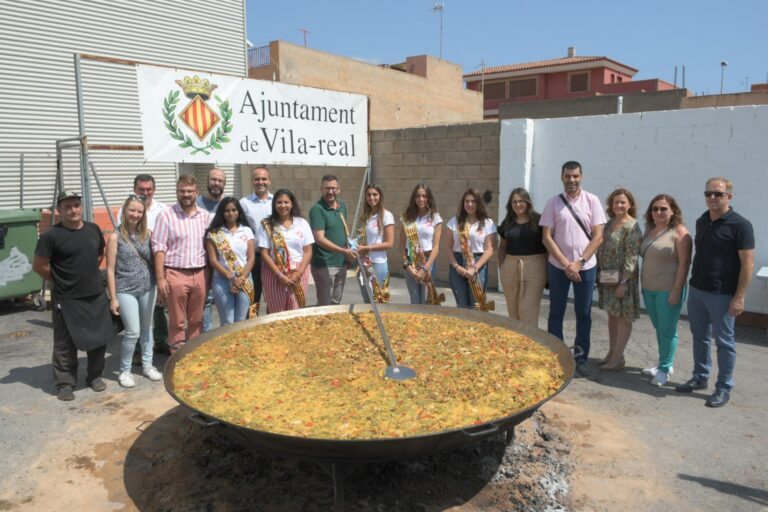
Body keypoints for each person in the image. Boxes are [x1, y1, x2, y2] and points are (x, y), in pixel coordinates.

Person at [676, 177, 754, 408]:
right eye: (708, 193)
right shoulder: (703, 220)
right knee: (700, 337)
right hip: (698, 289)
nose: (712, 198)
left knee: (724, 342)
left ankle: (723, 387)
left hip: (723, 294)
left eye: (718, 194)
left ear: (729, 196)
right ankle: (700, 377)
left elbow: (747, 264)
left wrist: (739, 296)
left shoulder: (741, 225)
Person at [33, 190, 113, 401]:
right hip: (66, 298)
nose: (73, 210)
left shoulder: (93, 229)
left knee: (98, 339)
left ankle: (94, 376)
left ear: (81, 206)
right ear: (59, 210)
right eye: (67, 206)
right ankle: (65, 383)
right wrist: (60, 280)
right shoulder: (51, 236)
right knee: (64, 343)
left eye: (76, 205)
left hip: (95, 294)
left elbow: (99, 254)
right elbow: (39, 266)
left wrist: (86, 276)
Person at [540, 161, 606, 376]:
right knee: (556, 312)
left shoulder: (592, 201)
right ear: (562, 177)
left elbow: (598, 236)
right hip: (559, 267)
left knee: (583, 313)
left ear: (581, 177)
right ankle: (557, 356)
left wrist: (579, 263)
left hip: (586, 267)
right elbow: (547, 237)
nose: (572, 180)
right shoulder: (553, 203)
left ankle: (581, 358)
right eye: (568, 176)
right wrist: (566, 263)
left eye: (575, 176)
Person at [106, 195, 162, 388]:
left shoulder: (149, 234)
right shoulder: (115, 237)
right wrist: (113, 298)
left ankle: (148, 365)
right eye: (132, 210)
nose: (135, 214)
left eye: (139, 211)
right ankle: (125, 370)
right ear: (124, 210)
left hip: (148, 287)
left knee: (148, 329)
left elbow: (157, 261)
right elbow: (110, 270)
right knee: (133, 332)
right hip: (126, 289)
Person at [151, 174, 211, 352]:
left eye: (190, 191)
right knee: (176, 320)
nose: (186, 194)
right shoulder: (166, 215)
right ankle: (176, 356)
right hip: (175, 274)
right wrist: (160, 278)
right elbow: (159, 247)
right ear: (177, 192)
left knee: (196, 319)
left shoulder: (205, 216)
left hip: (200, 273)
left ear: (196, 193)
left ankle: (194, 353)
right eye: (182, 191)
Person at [639, 194, 692, 387]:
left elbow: (685, 264)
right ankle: (664, 364)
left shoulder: (680, 232)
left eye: (663, 209)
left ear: (672, 211)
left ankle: (664, 369)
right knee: (659, 328)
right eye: (655, 209)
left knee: (668, 331)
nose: (659, 212)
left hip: (668, 290)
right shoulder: (649, 230)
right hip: (648, 288)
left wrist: (676, 290)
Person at [118, 174, 170, 356]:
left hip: (159, 261)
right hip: (137, 266)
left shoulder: (164, 209)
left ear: (154, 190)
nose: (145, 192)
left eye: (149, 189)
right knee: (140, 310)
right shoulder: (127, 209)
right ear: (135, 189)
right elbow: (124, 237)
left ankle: (161, 340)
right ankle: (139, 348)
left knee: (159, 306)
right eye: (141, 189)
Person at [595, 188, 642, 372]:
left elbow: (632, 256)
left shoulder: (632, 226)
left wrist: (623, 282)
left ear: (630, 204)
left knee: (622, 317)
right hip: (608, 278)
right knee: (612, 315)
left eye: (623, 202)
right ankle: (612, 353)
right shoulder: (608, 224)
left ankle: (617, 358)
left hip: (623, 279)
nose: (619, 205)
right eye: (616, 202)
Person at [257, 189, 315, 313]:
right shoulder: (267, 225)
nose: (283, 206)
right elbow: (264, 253)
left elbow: (308, 251)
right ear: (274, 205)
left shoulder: (302, 223)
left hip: (299, 271)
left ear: (292, 204)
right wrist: (279, 275)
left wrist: (298, 273)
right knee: (276, 313)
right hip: (274, 272)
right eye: (279, 202)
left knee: (296, 312)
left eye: (286, 202)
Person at [497, 187, 548, 325]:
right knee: (513, 309)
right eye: (514, 202)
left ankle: (530, 342)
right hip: (510, 265)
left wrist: (549, 271)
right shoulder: (507, 222)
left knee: (527, 309)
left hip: (535, 265)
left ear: (528, 203)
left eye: (521, 201)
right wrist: (501, 266)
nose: (518, 204)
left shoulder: (539, 221)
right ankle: (516, 342)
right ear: (510, 204)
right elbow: (502, 246)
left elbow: (548, 246)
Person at [204, 197, 256, 325]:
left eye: (234, 210)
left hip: (244, 279)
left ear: (239, 212)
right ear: (222, 212)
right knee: (227, 321)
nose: (231, 213)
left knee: (242, 320)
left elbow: (251, 257)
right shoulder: (214, 233)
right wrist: (231, 277)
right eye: (227, 210)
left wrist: (241, 279)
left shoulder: (247, 231)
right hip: (222, 280)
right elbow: (213, 261)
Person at [445, 188, 496, 310]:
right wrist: (457, 267)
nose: (469, 204)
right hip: (457, 263)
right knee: (461, 304)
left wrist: (474, 268)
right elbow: (447, 247)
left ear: (478, 203)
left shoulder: (487, 223)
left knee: (476, 304)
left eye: (473, 201)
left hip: (478, 263)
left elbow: (489, 250)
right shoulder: (454, 221)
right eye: (466, 201)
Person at [309, 174, 356, 306]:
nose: (330, 191)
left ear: (338, 189)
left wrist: (347, 257)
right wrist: (343, 251)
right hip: (324, 264)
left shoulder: (342, 205)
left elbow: (344, 230)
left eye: (333, 188)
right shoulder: (317, 210)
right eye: (327, 188)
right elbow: (319, 239)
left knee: (336, 301)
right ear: (321, 189)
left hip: (341, 262)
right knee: (324, 304)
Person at [399, 183, 445, 305]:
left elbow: (436, 247)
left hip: (428, 263)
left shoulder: (435, 217)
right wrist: (407, 266)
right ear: (414, 198)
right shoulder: (407, 218)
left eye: (424, 196)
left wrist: (425, 269)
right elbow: (401, 245)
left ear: (429, 198)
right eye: (418, 196)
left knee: (426, 302)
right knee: (414, 301)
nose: (421, 199)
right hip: (411, 263)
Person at [240, 166, 274, 315]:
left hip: (275, 257)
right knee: (254, 295)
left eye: (264, 179)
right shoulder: (244, 203)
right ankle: (253, 324)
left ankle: (271, 326)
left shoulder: (277, 201)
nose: (261, 182)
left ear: (269, 181)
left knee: (273, 294)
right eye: (257, 179)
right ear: (252, 181)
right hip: (255, 257)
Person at [197, 168, 227, 331]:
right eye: (213, 180)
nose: (216, 183)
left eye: (220, 181)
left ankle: (226, 334)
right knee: (205, 300)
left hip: (224, 261)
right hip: (202, 261)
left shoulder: (228, 204)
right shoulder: (196, 203)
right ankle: (205, 335)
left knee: (226, 299)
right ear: (207, 181)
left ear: (225, 183)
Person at [355, 184, 395, 303]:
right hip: (363, 264)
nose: (371, 198)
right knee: (367, 302)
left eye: (375, 194)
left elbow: (389, 243)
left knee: (379, 302)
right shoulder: (364, 217)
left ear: (380, 196)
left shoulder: (387, 215)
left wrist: (367, 248)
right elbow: (360, 238)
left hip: (377, 264)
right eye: (368, 195)